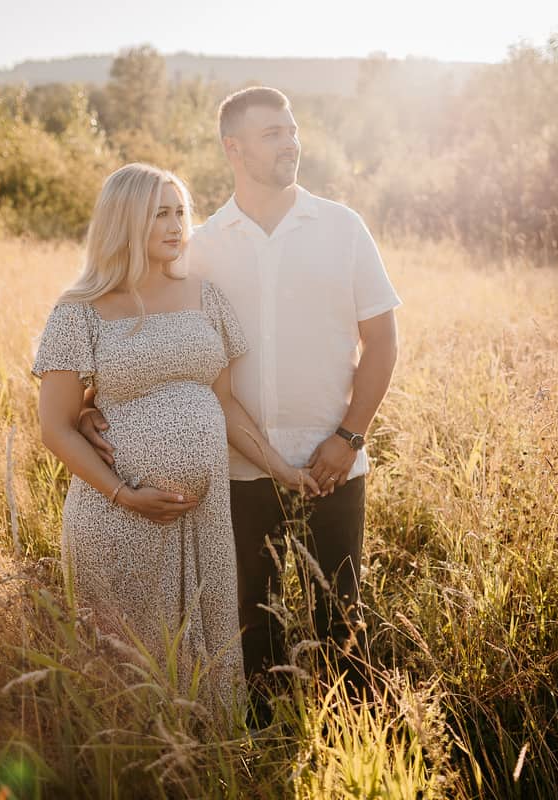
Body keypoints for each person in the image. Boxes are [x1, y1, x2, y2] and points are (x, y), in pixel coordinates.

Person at [81, 88, 402, 722]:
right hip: (232, 471)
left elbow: (384, 341)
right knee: (249, 622)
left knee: (341, 617)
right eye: (271, 134)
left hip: (333, 460)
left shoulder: (342, 227)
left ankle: (351, 749)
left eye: (292, 130)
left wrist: (350, 436)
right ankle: (257, 756)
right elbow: (142, 337)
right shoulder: (198, 245)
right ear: (233, 148)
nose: (290, 142)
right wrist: (97, 407)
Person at [33, 162, 319, 721]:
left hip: (203, 518)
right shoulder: (79, 308)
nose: (175, 225)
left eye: (180, 212)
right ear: (123, 220)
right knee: (126, 664)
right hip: (116, 515)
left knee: (204, 657)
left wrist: (281, 468)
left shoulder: (205, 297)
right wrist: (124, 494)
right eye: (158, 213)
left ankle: (205, 767)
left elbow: (225, 405)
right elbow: (57, 426)